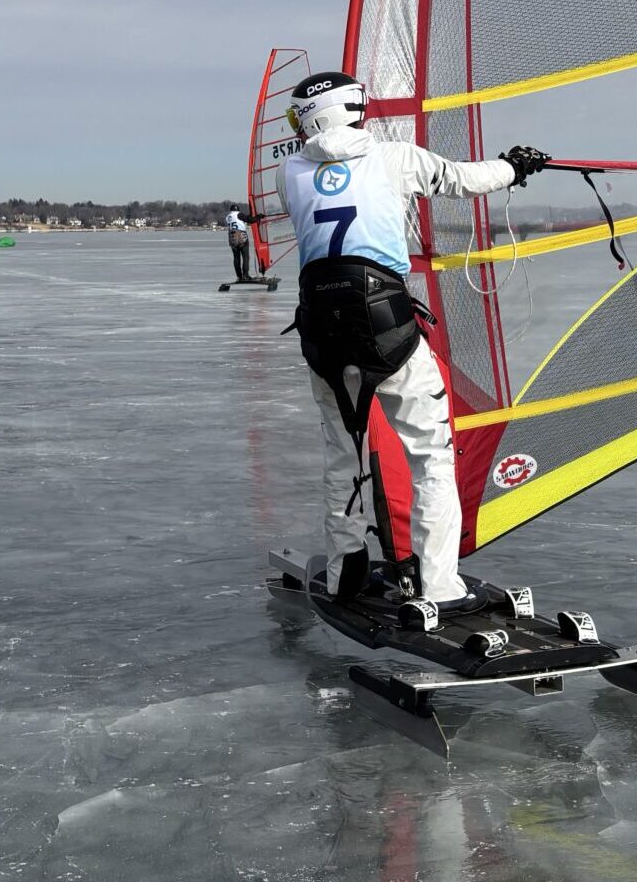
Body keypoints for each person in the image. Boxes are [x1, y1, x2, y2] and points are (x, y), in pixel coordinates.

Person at [276, 70, 546, 617]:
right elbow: (463, 180)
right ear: (354, 110)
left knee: (341, 455)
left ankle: (345, 571)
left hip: (322, 332)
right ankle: (439, 584)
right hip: (386, 326)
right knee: (430, 455)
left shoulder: (290, 172)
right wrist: (515, 167)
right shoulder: (395, 158)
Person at [224, 206, 255, 282]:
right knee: (245, 257)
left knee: (236, 257)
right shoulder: (239, 214)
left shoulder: (228, 217)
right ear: (238, 210)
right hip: (240, 235)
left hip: (231, 236)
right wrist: (259, 217)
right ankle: (245, 275)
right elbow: (250, 220)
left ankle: (239, 276)